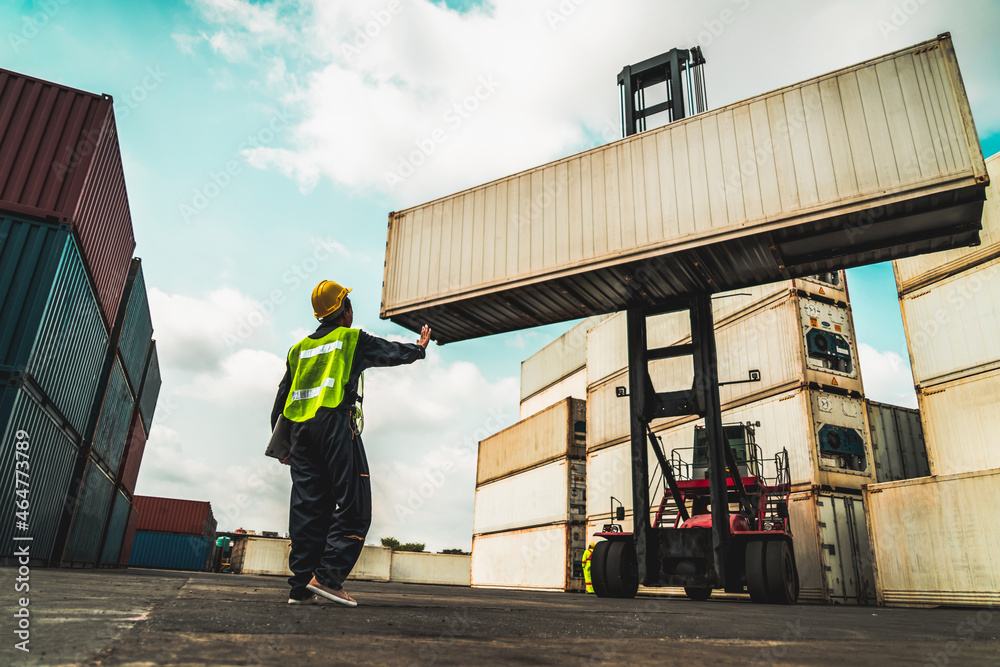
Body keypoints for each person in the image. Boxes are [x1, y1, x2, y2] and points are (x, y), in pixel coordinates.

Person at [271, 279, 431, 607]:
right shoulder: (350, 339)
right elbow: (389, 352)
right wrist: (419, 349)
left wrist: (282, 444)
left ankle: (301, 587)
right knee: (354, 504)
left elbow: (281, 398)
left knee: (307, 508)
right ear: (345, 310)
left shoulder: (298, 349)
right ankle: (328, 578)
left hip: (300, 433)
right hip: (333, 424)